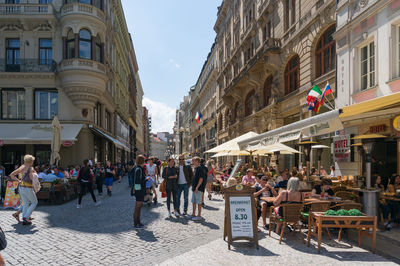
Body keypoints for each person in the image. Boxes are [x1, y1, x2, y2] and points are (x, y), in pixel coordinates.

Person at [9, 155, 40, 225]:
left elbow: (11, 175)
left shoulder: (22, 167)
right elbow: (32, 179)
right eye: (32, 161)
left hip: (21, 187)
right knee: (34, 202)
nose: (33, 162)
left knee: (25, 203)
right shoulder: (30, 169)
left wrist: (18, 180)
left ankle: (24, 219)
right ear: (30, 161)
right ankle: (26, 217)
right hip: (28, 188)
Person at [131, 155, 147, 229]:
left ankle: (138, 222)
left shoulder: (135, 168)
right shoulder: (139, 169)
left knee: (138, 207)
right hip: (139, 190)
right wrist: (146, 180)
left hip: (138, 190)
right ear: (142, 161)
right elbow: (138, 181)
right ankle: (136, 224)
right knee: (138, 207)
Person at [191, 157, 206, 221]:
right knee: (194, 202)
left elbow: (201, 179)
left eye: (193, 161)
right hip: (195, 188)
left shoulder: (200, 169)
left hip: (198, 188)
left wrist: (197, 187)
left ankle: (199, 215)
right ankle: (193, 214)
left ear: (197, 161)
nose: (192, 162)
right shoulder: (195, 168)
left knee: (199, 202)